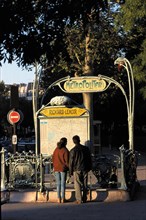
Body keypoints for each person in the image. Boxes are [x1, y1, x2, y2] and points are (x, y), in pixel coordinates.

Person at [69, 135, 92, 204]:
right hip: (85, 168)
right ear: (79, 140)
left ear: (73, 141)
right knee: (85, 184)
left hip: (77, 169)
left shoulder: (73, 150)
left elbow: (71, 162)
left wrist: (70, 172)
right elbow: (89, 159)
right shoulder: (86, 149)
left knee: (77, 184)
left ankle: (79, 199)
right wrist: (89, 167)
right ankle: (85, 198)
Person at [52, 137, 69, 203]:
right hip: (63, 168)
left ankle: (58, 198)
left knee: (58, 184)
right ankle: (63, 198)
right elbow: (67, 161)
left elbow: (53, 158)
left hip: (56, 168)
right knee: (63, 184)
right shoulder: (65, 150)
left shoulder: (56, 149)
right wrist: (69, 168)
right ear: (65, 142)